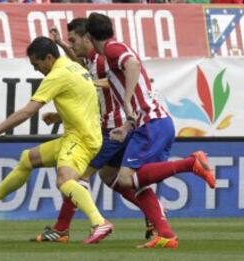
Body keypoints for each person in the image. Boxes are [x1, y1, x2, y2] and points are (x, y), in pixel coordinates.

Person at [31, 18, 170, 243]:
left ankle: (62, 229)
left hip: (116, 128)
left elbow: (113, 76)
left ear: (88, 38)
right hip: (112, 127)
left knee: (78, 176)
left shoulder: (104, 58)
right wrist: (63, 46)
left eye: (73, 40)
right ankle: (154, 214)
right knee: (110, 176)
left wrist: (93, 84)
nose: (71, 45)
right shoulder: (93, 60)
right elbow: (83, 67)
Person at [86, 12, 216, 248]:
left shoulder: (113, 48)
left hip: (152, 122)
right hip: (149, 122)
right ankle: (165, 234)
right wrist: (127, 125)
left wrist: (126, 103)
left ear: (89, 36)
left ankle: (191, 163)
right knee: (125, 179)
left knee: (125, 178)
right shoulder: (112, 52)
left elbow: (133, 65)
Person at [0, 36, 113, 244]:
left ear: (49, 58)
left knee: (65, 181)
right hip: (83, 135)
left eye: (37, 64)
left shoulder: (57, 75)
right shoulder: (75, 68)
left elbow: (27, 112)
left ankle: (99, 222)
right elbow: (85, 104)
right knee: (28, 158)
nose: (36, 69)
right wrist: (59, 116)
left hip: (80, 140)